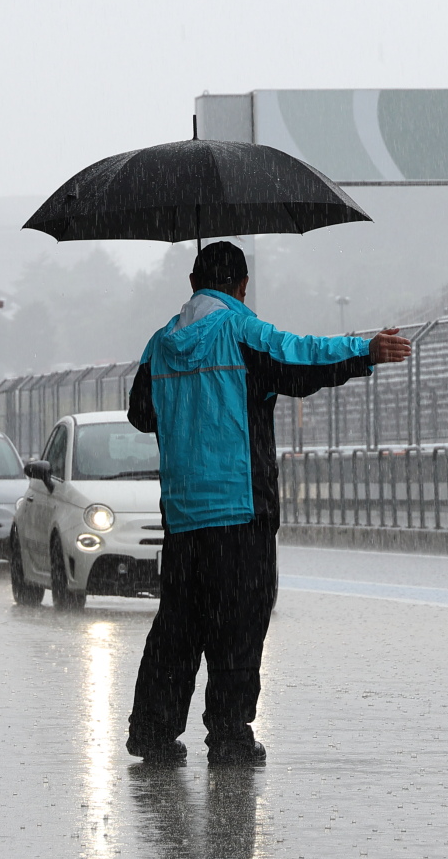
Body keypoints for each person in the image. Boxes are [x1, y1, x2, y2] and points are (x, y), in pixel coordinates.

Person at [123, 240, 411, 766]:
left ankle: (153, 733)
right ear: (242, 285)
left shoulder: (159, 345)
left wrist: (189, 408)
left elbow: (141, 413)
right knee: (238, 622)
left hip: (183, 515)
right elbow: (301, 358)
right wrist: (366, 351)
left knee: (178, 626)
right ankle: (229, 736)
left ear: (192, 284)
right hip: (239, 510)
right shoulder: (240, 331)